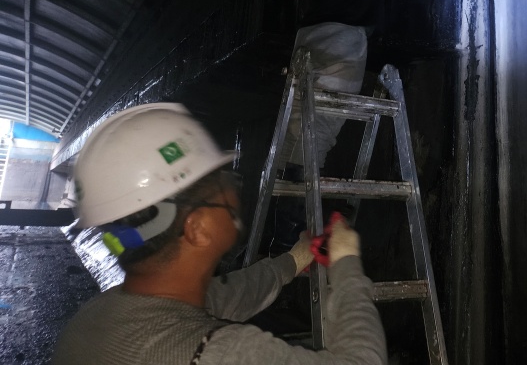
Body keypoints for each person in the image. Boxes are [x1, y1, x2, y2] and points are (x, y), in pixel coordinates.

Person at [52, 102, 387, 365]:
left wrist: (294, 260)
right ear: (197, 227)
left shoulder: (94, 318)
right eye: (224, 183)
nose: (234, 191)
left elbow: (224, 297)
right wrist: (346, 265)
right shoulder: (219, 356)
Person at [273, 0, 476, 252]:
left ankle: (281, 228)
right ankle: (291, 233)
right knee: (320, 130)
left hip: (308, 37)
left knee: (298, 126)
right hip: (342, 38)